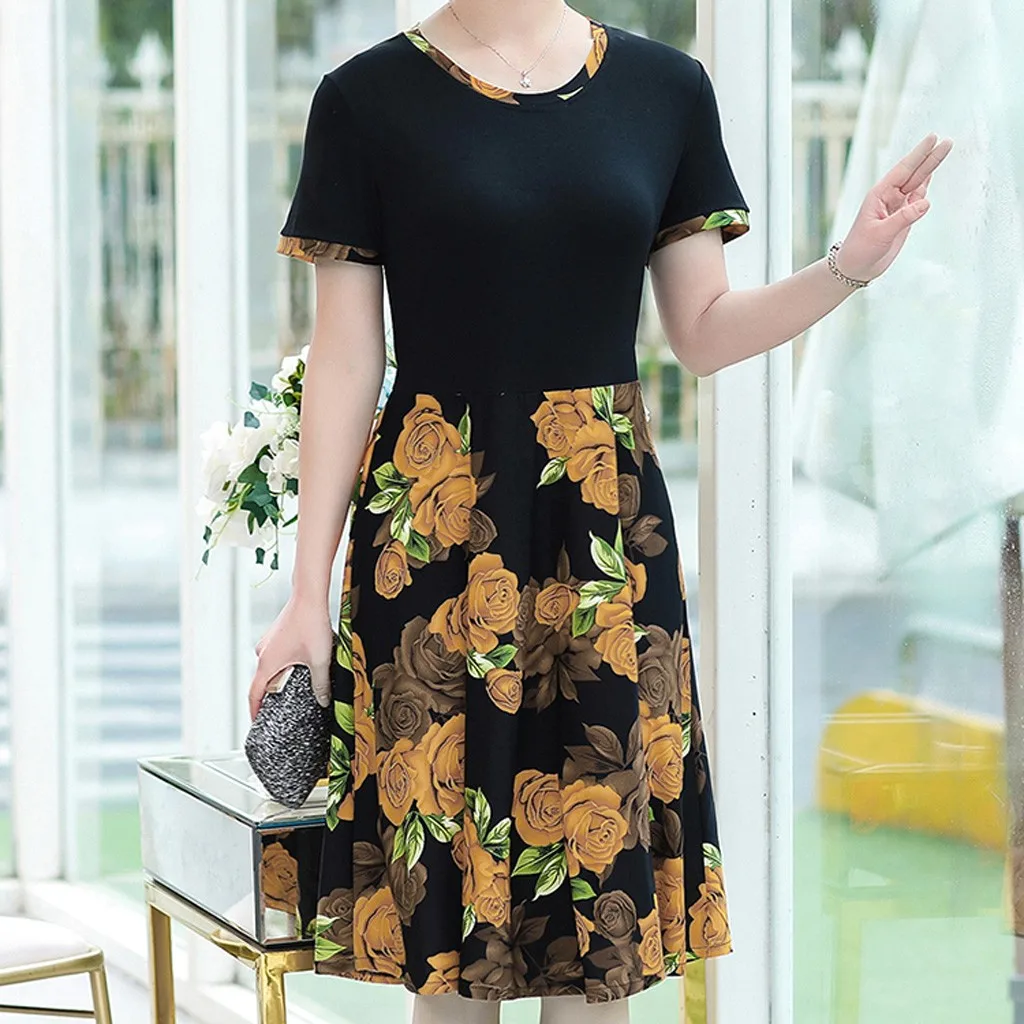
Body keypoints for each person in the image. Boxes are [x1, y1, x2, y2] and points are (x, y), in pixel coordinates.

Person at [249, 2, 952, 1021]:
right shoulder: (364, 99)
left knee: (598, 937)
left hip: (604, 542)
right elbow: (347, 361)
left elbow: (703, 330)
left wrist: (847, 265)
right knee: (449, 947)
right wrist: (304, 596)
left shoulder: (665, 90)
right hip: (435, 537)